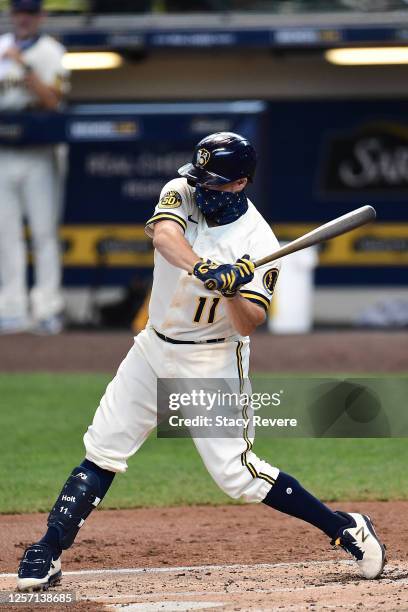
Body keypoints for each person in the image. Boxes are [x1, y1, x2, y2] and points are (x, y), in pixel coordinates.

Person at [16, 132, 386, 591]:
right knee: (104, 447)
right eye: (201, 179)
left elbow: (249, 322)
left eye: (214, 184)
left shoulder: (257, 240)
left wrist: (232, 289)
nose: (202, 189)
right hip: (153, 346)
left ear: (240, 184)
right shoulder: (182, 189)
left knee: (237, 475)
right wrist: (204, 268)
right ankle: (48, 548)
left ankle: (345, 528)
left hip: (210, 360)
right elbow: (165, 236)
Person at [0, 0, 69, 334]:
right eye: (18, 12)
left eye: (29, 12)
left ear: (40, 16)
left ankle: (47, 308)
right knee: (5, 233)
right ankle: (11, 308)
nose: (23, 18)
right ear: (12, 15)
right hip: (3, 152)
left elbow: (54, 101)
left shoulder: (50, 51)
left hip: (40, 152)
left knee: (43, 232)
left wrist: (24, 68)